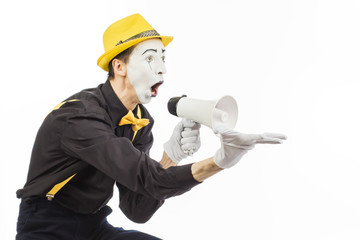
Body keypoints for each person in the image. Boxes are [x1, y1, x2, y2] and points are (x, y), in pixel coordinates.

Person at [15, 13, 286, 240]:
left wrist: (170, 156)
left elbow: (137, 210)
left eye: (163, 58)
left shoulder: (140, 122)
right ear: (119, 66)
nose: (162, 69)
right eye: (150, 58)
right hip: (45, 227)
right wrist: (219, 161)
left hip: (93, 227)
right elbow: (150, 178)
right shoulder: (80, 116)